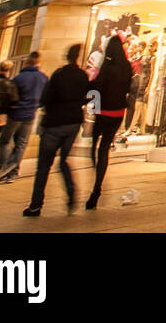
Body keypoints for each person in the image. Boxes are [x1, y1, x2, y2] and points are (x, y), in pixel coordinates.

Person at [22, 44, 89, 217]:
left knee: (43, 166)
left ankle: (36, 205)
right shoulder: (83, 76)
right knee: (63, 160)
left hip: (55, 123)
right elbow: (87, 97)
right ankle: (71, 193)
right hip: (73, 123)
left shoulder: (59, 75)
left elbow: (46, 98)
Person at [86, 34, 131, 209]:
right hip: (118, 111)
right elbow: (128, 89)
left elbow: (98, 87)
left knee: (95, 146)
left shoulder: (107, 65)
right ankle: (97, 183)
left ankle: (96, 180)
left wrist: (93, 109)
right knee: (105, 146)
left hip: (103, 111)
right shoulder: (126, 67)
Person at [0, 52, 48, 182]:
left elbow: (11, 97)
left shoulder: (19, 78)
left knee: (5, 141)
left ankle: (4, 168)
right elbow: (45, 97)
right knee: (21, 143)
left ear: (26, 62)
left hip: (16, 114)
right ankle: (13, 172)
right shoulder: (43, 78)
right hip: (30, 114)